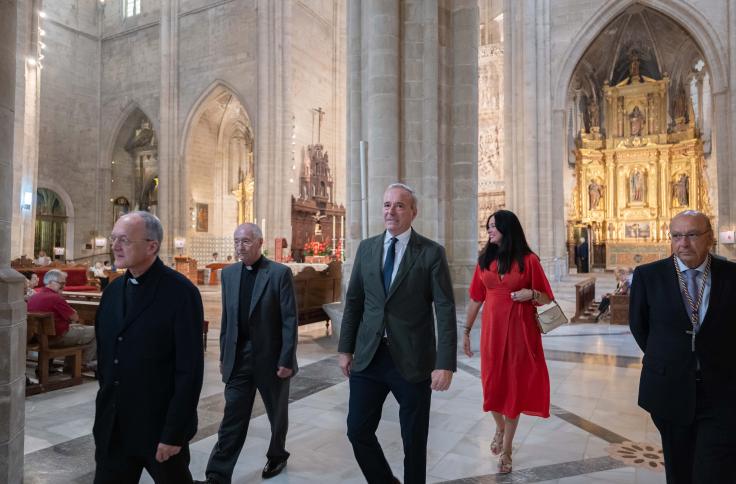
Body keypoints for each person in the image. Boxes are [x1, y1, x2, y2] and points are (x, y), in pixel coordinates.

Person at [338, 183, 457, 484]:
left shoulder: (431, 253)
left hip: (413, 359)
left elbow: (444, 310)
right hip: (370, 357)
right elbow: (354, 302)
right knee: (357, 430)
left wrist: (445, 363)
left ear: (413, 212)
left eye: (399, 205)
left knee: (413, 440)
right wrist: (345, 348)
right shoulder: (366, 248)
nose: (391, 211)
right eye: (387, 205)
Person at [93, 211, 204, 484]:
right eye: (114, 239)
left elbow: (189, 370)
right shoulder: (112, 292)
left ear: (151, 246)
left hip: (159, 428)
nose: (115, 246)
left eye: (125, 240)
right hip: (114, 427)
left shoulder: (180, 292)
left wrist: (174, 433)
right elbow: (107, 357)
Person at [629, 210, 736, 484]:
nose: (683, 243)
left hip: (721, 390)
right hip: (669, 388)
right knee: (679, 470)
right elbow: (640, 327)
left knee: (714, 470)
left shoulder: (731, 274)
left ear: (709, 238)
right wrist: (671, 357)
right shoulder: (648, 276)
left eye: (691, 235)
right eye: (677, 236)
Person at [195, 223, 298, 483]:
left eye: (246, 241)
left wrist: (287, 359)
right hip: (239, 358)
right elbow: (228, 319)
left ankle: (277, 455)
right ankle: (217, 475)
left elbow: (289, 320)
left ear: (259, 243)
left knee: (277, 414)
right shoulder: (228, 275)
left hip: (271, 359)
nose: (240, 247)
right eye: (237, 241)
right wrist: (223, 357)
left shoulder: (279, 273)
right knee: (232, 417)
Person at [463, 210, 554, 474]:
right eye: (488, 226)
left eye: (494, 226)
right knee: (492, 388)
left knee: (513, 388)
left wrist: (531, 293)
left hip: (520, 332)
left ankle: (507, 449)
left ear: (507, 228)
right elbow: (475, 298)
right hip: (492, 332)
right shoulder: (484, 260)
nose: (489, 230)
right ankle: (501, 428)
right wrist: (466, 331)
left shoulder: (529, 260)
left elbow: (547, 298)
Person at [27, 269, 97, 369]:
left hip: (38, 337)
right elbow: (75, 317)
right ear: (50, 282)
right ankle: (81, 365)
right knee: (97, 331)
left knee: (76, 328)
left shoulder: (34, 297)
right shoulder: (56, 298)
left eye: (64, 283)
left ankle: (71, 365)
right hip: (57, 338)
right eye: (61, 283)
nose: (64, 286)